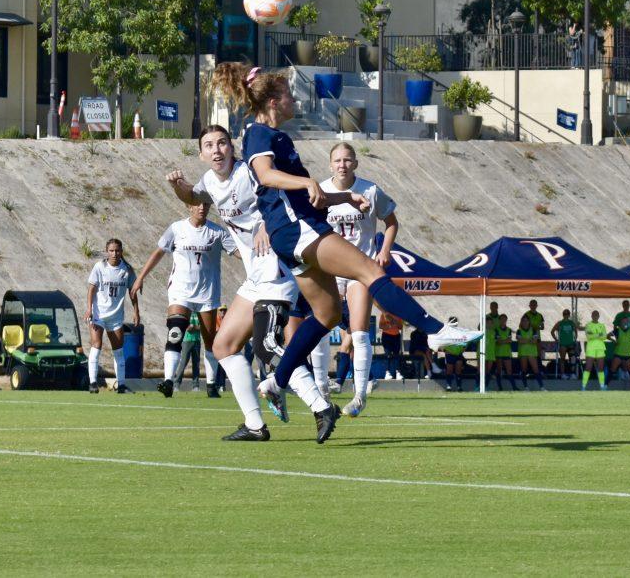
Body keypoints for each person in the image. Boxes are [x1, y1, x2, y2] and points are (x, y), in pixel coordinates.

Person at [212, 62, 482, 440]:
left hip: (293, 234)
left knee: (325, 315)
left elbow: (302, 194)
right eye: (288, 94)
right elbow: (266, 175)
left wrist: (341, 197)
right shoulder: (260, 133)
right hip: (298, 231)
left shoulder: (273, 135)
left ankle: (278, 380)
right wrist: (307, 180)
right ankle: (434, 331)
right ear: (273, 101)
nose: (293, 100)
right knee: (370, 272)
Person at [161, 125, 336, 441]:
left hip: (277, 268)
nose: (217, 150)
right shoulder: (210, 182)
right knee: (223, 345)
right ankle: (255, 424)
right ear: (202, 154)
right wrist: (178, 186)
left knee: (266, 347)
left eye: (222, 144)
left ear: (232, 148)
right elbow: (192, 195)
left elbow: (282, 197)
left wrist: (269, 226)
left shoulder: (249, 173)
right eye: (209, 146)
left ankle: (321, 405)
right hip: (255, 277)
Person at [320, 141, 400, 416]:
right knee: (319, 325)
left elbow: (392, 222)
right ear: (330, 165)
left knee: (359, 332)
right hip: (329, 269)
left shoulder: (370, 190)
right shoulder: (321, 191)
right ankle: (321, 388)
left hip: (358, 268)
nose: (342, 165)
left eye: (347, 160)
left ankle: (359, 395)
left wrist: (384, 250)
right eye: (337, 161)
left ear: (355, 163)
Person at [133, 201, 236, 402]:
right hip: (181, 291)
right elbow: (159, 251)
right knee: (175, 332)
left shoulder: (216, 232)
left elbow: (237, 251)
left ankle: (212, 384)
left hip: (207, 293)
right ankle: (169, 381)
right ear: (189, 207)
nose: (202, 208)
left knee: (210, 341)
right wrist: (140, 277)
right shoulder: (176, 228)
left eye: (205, 205)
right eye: (197, 205)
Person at [84, 238, 140, 394]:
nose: (114, 253)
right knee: (96, 345)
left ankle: (121, 385)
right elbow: (91, 289)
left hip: (116, 317)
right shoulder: (99, 267)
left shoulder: (127, 270)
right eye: (111, 250)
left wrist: (136, 311)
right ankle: (93, 383)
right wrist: (89, 309)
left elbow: (132, 292)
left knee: (118, 350)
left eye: (117, 250)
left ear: (121, 252)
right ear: (106, 251)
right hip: (99, 314)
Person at [607, 312, 630, 390]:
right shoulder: (616, 331)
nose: (626, 323)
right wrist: (613, 341)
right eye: (624, 321)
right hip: (618, 353)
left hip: (628, 354)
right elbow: (608, 336)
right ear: (620, 322)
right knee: (612, 370)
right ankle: (605, 385)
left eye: (627, 321)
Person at [174, 312, 203, 390]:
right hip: (186, 341)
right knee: (183, 363)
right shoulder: (187, 313)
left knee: (196, 364)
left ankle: (196, 386)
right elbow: (188, 329)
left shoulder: (199, 314)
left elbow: (202, 327)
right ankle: (176, 384)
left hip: (197, 341)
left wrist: (193, 326)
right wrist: (195, 327)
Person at [516, 313, 545, 390]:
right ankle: (526, 387)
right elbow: (520, 341)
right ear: (521, 322)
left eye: (526, 321)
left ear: (529, 322)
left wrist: (525, 340)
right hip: (523, 353)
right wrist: (530, 339)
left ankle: (542, 387)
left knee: (536, 370)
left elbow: (535, 341)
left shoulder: (534, 330)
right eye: (523, 321)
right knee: (524, 370)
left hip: (532, 353)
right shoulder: (519, 331)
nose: (525, 322)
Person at [581, 310, 608, 391]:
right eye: (594, 315)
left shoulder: (602, 325)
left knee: (600, 368)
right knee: (588, 367)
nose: (595, 316)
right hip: (591, 348)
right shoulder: (588, 325)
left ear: (598, 316)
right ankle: (583, 386)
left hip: (600, 348)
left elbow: (604, 336)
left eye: (596, 315)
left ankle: (602, 386)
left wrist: (594, 334)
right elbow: (589, 336)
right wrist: (599, 334)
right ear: (591, 316)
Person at [551, 308, 578, 379]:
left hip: (571, 343)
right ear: (563, 315)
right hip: (562, 344)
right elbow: (552, 331)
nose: (566, 315)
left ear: (569, 315)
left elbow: (575, 331)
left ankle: (572, 374)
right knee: (562, 359)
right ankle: (563, 374)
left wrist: (575, 339)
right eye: (564, 314)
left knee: (572, 358)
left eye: (567, 314)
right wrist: (556, 339)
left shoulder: (571, 323)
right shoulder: (559, 323)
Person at [441, 318, 466, 392]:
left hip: (458, 354)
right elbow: (441, 343)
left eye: (455, 322)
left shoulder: (460, 332)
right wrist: (445, 350)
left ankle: (459, 387)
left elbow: (465, 341)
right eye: (452, 322)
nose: (454, 323)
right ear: (449, 323)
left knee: (458, 371)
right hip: (449, 354)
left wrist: (463, 349)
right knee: (449, 371)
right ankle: (449, 386)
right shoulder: (446, 333)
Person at [378, 311, 404, 381]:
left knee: (396, 354)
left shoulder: (398, 314)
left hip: (396, 336)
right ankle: (387, 372)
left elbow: (400, 327)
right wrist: (389, 326)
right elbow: (380, 326)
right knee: (388, 354)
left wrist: (396, 323)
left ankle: (398, 372)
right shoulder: (384, 314)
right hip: (386, 336)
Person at [493, 313, 515, 390]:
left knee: (509, 371)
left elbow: (509, 340)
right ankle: (500, 387)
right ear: (499, 320)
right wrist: (505, 341)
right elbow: (499, 342)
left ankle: (514, 387)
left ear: (506, 320)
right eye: (501, 319)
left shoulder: (509, 330)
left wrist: (503, 341)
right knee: (499, 370)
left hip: (506, 353)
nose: (503, 321)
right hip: (498, 353)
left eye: (504, 319)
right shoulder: (496, 330)